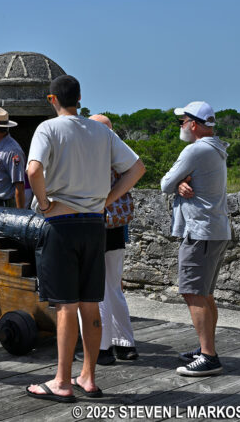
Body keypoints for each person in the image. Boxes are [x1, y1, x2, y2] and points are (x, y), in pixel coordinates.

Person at [25, 75, 145, 402]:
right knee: (91, 303)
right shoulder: (101, 131)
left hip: (61, 224)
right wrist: (106, 200)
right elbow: (137, 169)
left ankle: (62, 381)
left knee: (66, 306)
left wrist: (45, 203)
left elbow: (34, 170)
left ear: (52, 100)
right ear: (79, 98)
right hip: (95, 224)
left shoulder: (48, 129)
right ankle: (88, 377)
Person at [161, 101, 231, 377]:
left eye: (183, 121)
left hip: (199, 231)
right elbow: (176, 184)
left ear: (194, 124)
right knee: (205, 294)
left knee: (193, 293)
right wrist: (181, 183)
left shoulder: (196, 149)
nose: (181, 126)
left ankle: (209, 356)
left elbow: (164, 184)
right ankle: (206, 348)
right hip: (215, 229)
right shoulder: (215, 149)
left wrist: (175, 182)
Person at [86, 114, 139, 365]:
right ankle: (125, 344)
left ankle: (103, 347)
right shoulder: (120, 155)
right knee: (113, 288)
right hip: (116, 226)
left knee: (97, 290)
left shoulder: (92, 154)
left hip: (96, 224)